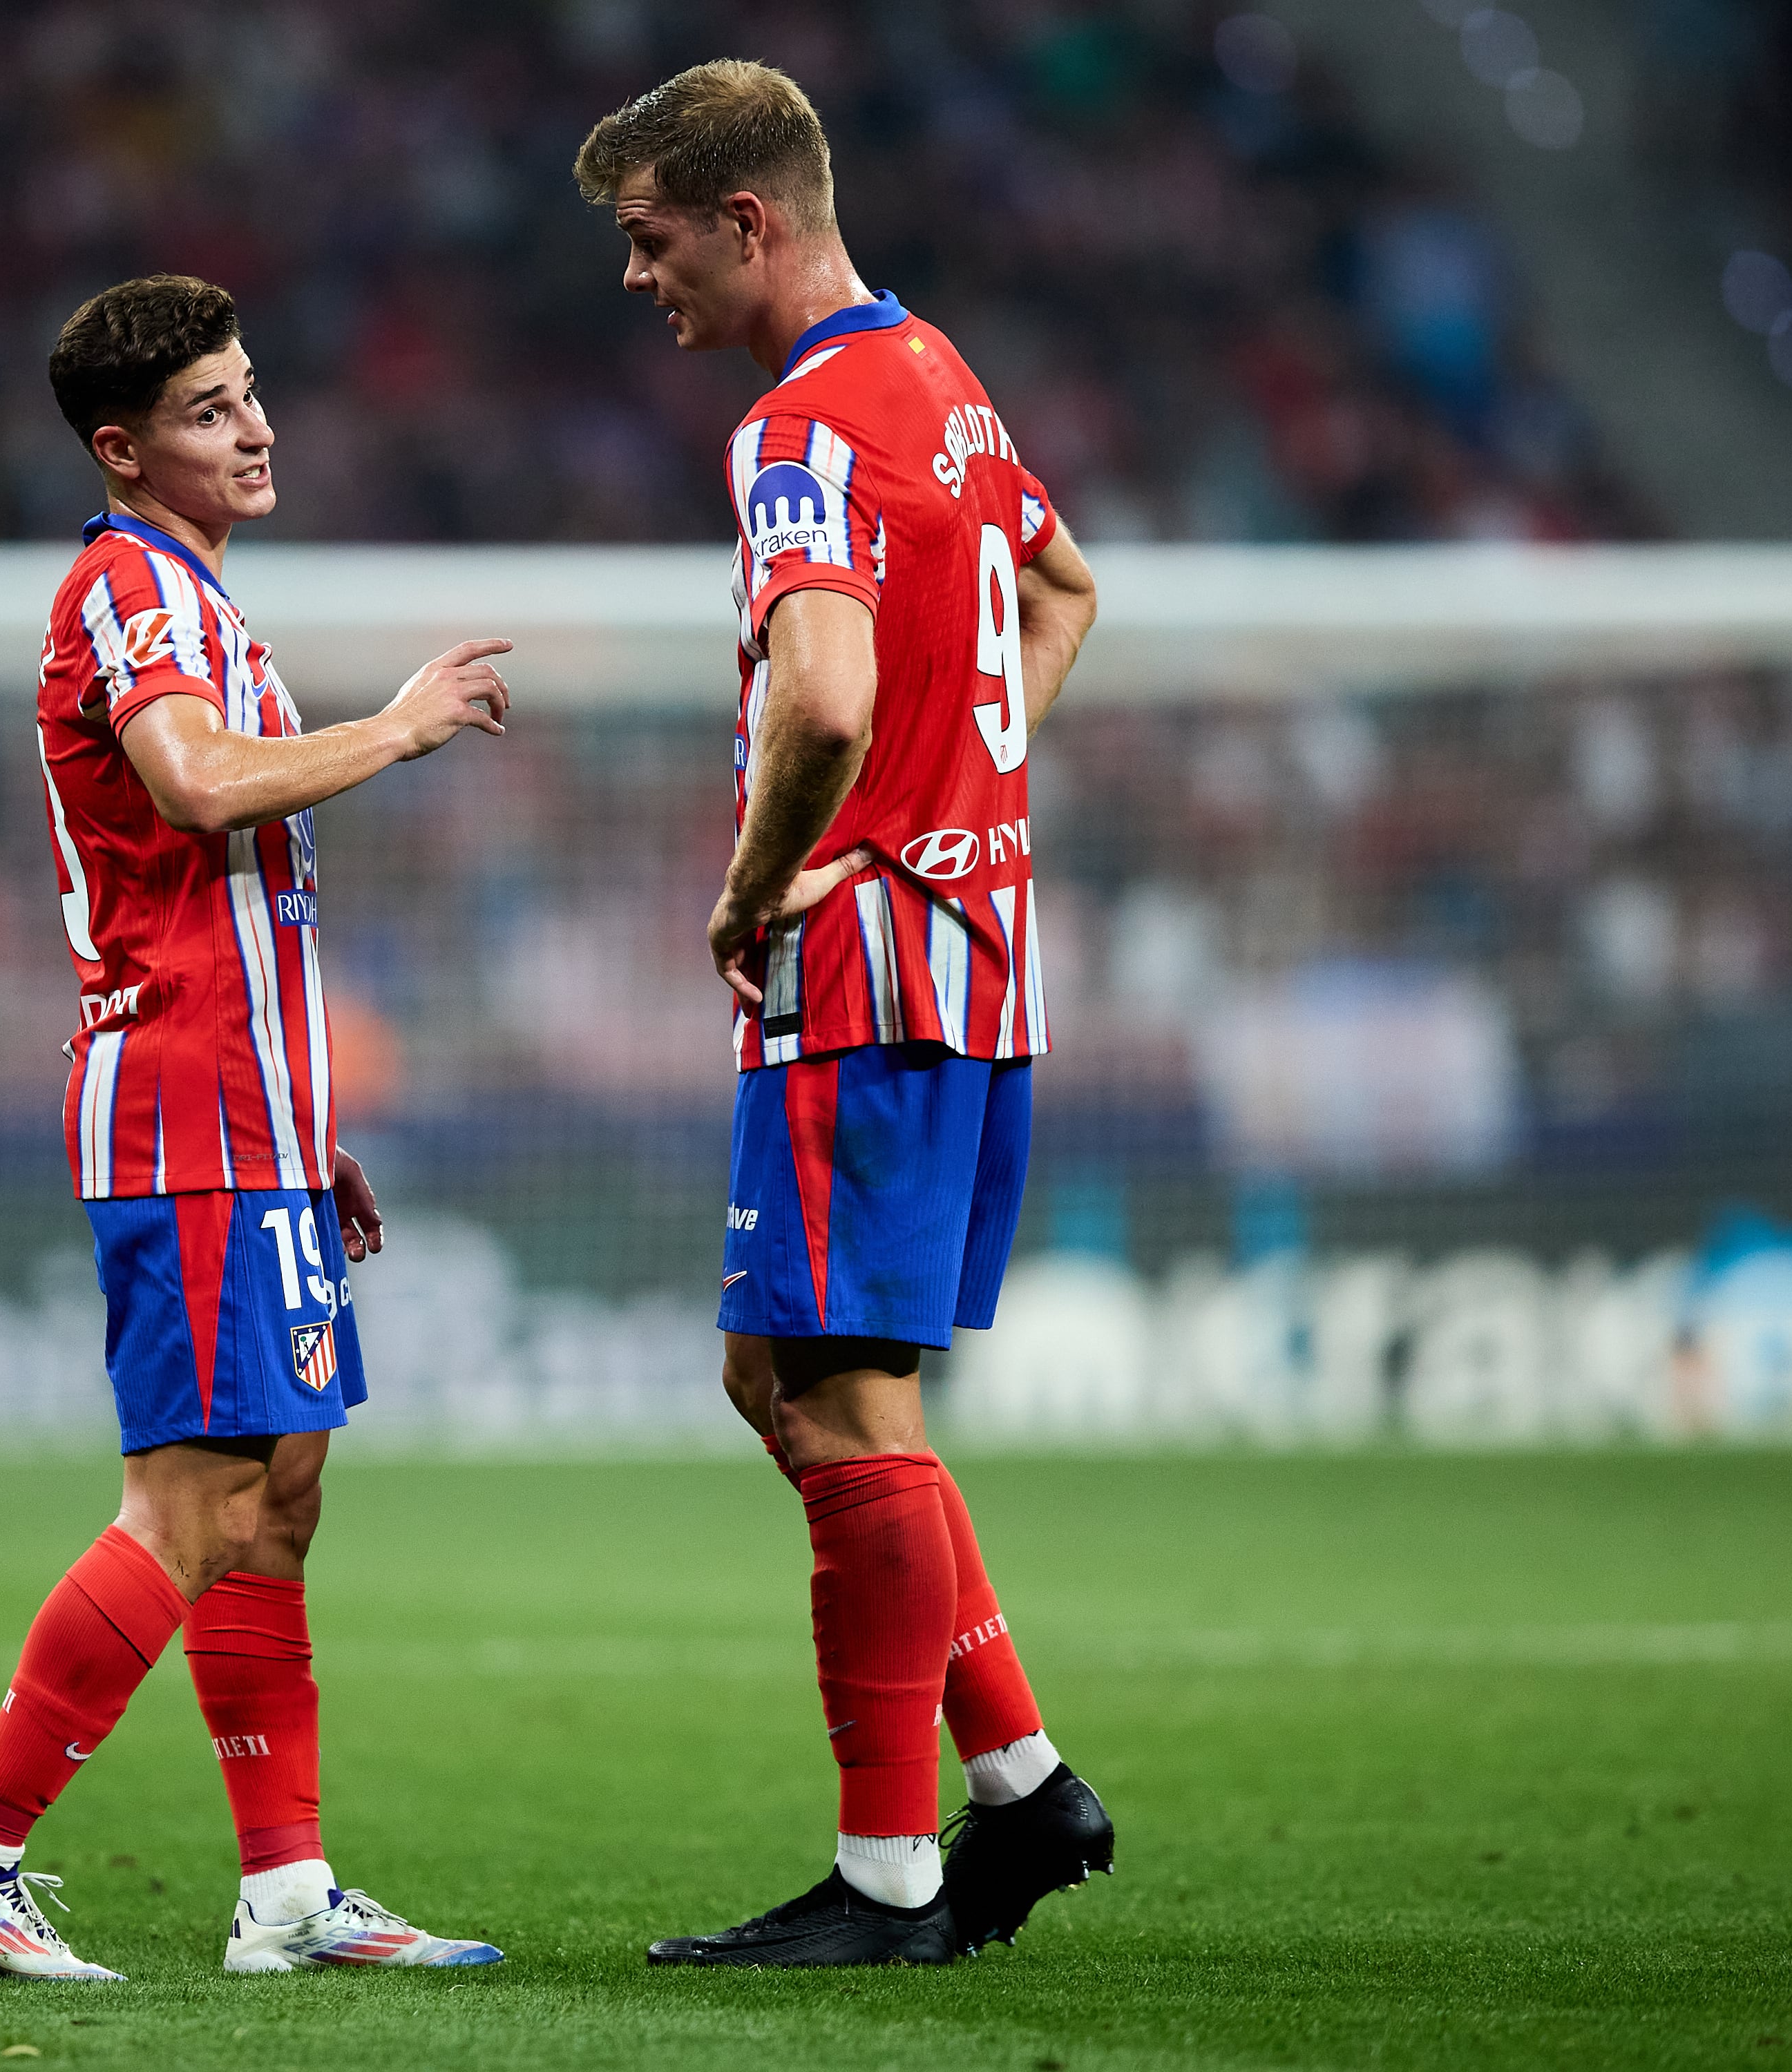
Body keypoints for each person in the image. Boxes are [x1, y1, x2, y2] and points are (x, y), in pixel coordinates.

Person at [0, 274, 513, 1982]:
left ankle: (288, 1898)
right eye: (214, 408)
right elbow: (196, 782)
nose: (258, 426)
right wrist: (397, 725)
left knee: (282, 1491)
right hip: (183, 1101)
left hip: (256, 1113)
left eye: (253, 392)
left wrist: (308, 1125)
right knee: (196, 1497)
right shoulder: (133, 586)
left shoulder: (202, 595)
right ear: (121, 447)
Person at [574, 62, 1110, 1968]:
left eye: (648, 244)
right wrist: (960, 791)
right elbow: (1061, 584)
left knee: (840, 1397)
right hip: (971, 960)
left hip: (863, 980)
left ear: (747, 220)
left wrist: (755, 884)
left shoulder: (793, 428)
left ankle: (889, 1879)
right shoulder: (939, 382)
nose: (634, 282)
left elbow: (815, 698)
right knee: (779, 1378)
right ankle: (1025, 1784)